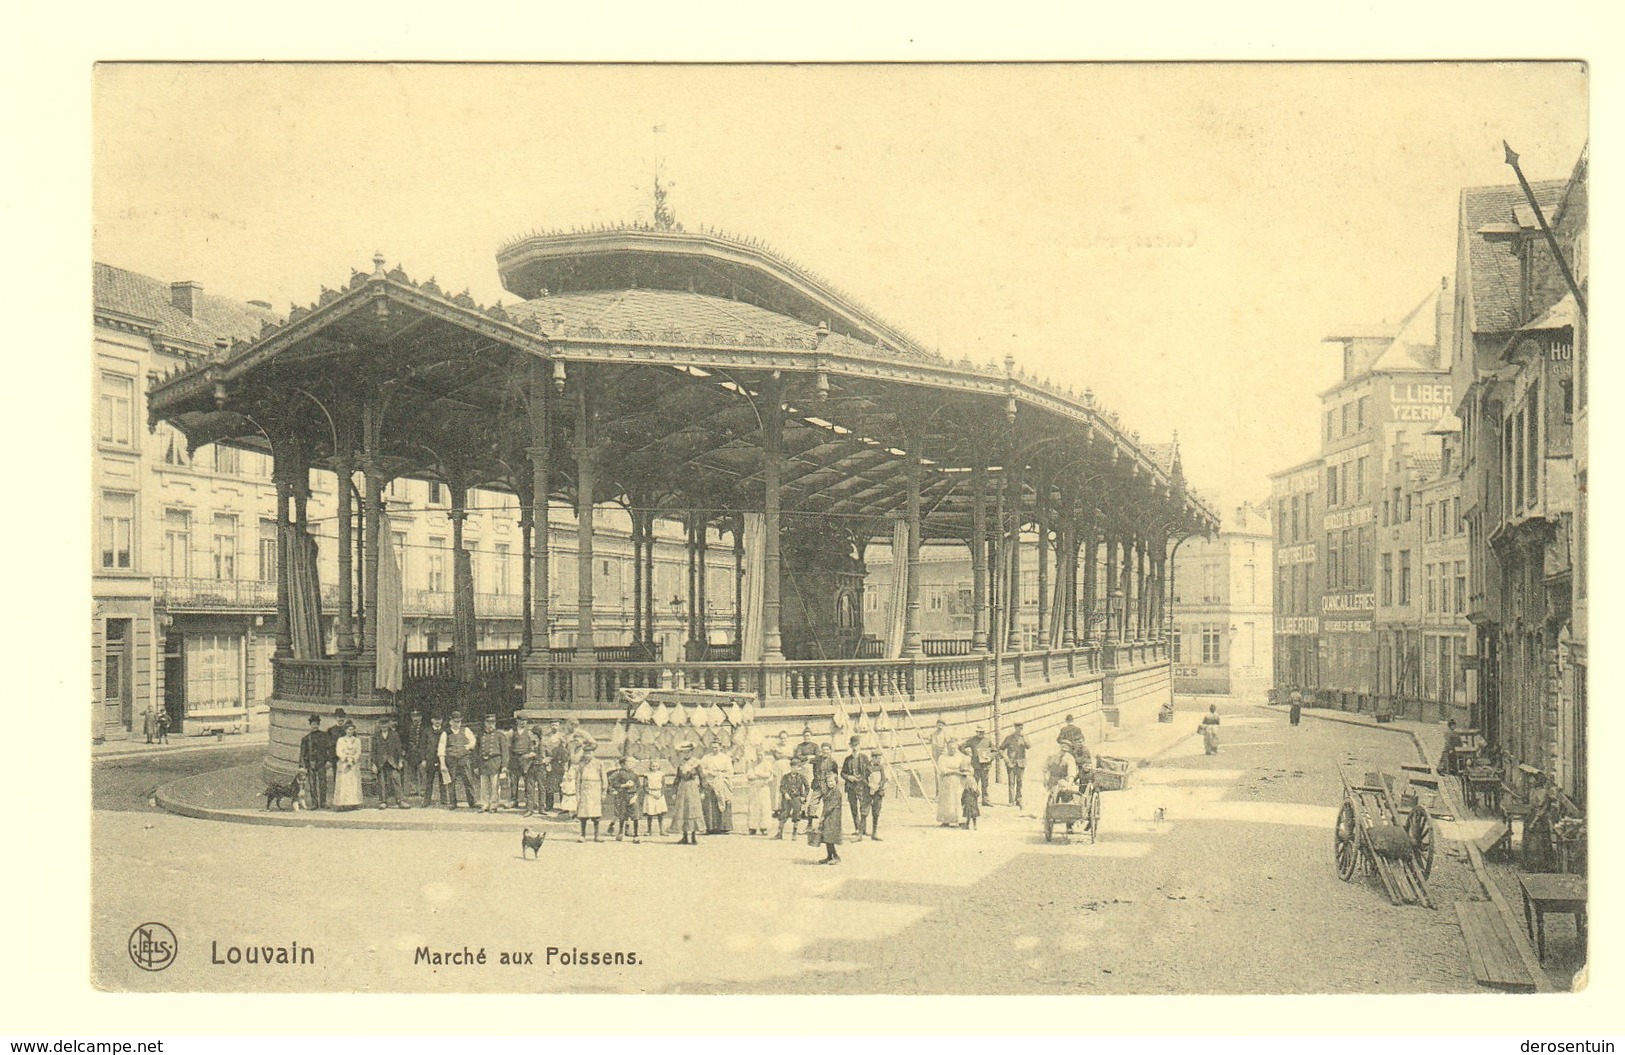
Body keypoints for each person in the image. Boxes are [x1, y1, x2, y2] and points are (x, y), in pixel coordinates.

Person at [438, 710, 479, 809]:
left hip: (464, 759)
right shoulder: (445, 733)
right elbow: (441, 748)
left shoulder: (466, 730)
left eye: (459, 721)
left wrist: (469, 746)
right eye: (455, 721)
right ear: (450, 721)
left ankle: (472, 801)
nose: (457, 723)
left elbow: (473, 740)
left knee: (468, 780)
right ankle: (452, 802)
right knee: (451, 781)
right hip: (451, 760)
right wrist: (442, 763)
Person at [1044, 735, 1081, 835]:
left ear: (1069, 749)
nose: (1064, 749)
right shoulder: (1052, 756)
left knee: (1067, 799)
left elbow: (1072, 773)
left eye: (1066, 747)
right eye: (1062, 746)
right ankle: (1050, 817)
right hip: (1053, 781)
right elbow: (1046, 768)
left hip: (1064, 781)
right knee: (1052, 799)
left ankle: (1069, 825)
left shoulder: (1070, 758)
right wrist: (1046, 778)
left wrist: (1069, 784)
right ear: (1059, 746)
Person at [372, 715, 410, 809]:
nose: (384, 726)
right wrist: (373, 764)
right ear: (379, 725)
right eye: (382, 724)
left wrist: (400, 761)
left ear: (389, 724)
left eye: (385, 724)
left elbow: (399, 749)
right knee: (381, 781)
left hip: (393, 761)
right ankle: (383, 801)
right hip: (380, 762)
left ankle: (400, 800)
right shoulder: (376, 736)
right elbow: (373, 751)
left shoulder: (395, 735)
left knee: (396, 779)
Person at [671, 742, 705, 845]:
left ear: (691, 752)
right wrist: (674, 792)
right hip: (682, 788)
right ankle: (685, 837)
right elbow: (677, 778)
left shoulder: (696, 763)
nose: (686, 754)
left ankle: (693, 837)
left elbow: (702, 777)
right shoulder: (681, 763)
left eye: (687, 752)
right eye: (684, 752)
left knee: (693, 810)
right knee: (683, 810)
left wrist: (702, 791)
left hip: (692, 788)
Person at [700, 738, 735, 834]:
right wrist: (710, 773)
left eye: (716, 747)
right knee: (710, 804)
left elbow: (730, 771)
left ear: (720, 747)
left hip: (722, 781)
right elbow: (701, 770)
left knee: (723, 802)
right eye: (713, 747)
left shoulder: (726, 758)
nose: (714, 749)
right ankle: (711, 827)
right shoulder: (706, 758)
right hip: (710, 782)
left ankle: (723, 827)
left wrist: (721, 775)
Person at [840, 735, 871, 839]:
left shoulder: (864, 758)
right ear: (850, 746)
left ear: (859, 745)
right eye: (853, 745)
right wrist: (849, 777)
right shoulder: (847, 759)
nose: (855, 748)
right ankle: (858, 828)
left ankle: (863, 829)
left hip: (862, 786)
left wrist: (861, 778)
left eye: (856, 745)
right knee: (853, 808)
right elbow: (842, 773)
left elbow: (868, 771)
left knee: (863, 807)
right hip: (851, 787)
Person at [812, 763, 844, 864]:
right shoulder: (829, 791)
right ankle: (829, 856)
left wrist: (823, 816)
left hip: (833, 817)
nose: (830, 783)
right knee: (826, 837)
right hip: (828, 817)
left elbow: (830, 806)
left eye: (831, 781)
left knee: (830, 837)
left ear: (836, 781)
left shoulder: (836, 792)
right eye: (828, 782)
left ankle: (836, 857)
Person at [575, 741, 607, 842]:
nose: (587, 755)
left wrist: (603, 792)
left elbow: (604, 778)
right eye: (585, 753)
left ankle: (596, 835)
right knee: (583, 814)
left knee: (596, 814)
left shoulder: (599, 764)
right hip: (584, 789)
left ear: (593, 753)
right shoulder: (581, 764)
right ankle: (583, 835)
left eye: (589, 753)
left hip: (595, 790)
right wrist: (577, 794)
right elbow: (577, 780)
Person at [607, 753, 643, 842]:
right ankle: (620, 832)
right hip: (622, 796)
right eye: (629, 762)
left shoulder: (635, 775)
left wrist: (635, 796)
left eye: (632, 762)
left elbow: (639, 787)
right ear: (624, 763)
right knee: (622, 815)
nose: (630, 764)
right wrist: (623, 785)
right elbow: (614, 784)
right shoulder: (619, 774)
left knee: (635, 816)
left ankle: (636, 835)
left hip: (632, 796)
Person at [512, 719, 544, 815]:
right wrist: (527, 756)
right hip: (530, 767)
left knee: (541, 788)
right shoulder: (529, 743)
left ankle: (541, 808)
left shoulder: (542, 744)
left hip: (540, 768)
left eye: (532, 734)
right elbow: (525, 754)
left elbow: (543, 755)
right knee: (530, 789)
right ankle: (530, 809)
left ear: (536, 735)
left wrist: (531, 755)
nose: (530, 735)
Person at [775, 756, 811, 840]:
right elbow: (782, 787)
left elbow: (807, 787)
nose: (798, 769)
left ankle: (794, 834)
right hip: (787, 799)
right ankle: (779, 833)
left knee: (796, 816)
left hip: (797, 798)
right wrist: (785, 794)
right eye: (795, 767)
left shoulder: (801, 777)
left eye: (799, 767)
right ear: (791, 767)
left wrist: (803, 796)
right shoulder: (785, 777)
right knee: (783, 815)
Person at [299, 714, 330, 809]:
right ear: (310, 725)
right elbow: (302, 754)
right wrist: (301, 766)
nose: (315, 726)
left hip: (322, 763)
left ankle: (323, 802)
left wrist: (329, 761)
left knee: (323, 782)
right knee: (312, 783)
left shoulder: (324, 736)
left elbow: (329, 749)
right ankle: (314, 803)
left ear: (319, 724)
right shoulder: (306, 739)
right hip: (310, 764)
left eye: (317, 724)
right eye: (313, 724)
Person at [935, 740, 968, 827]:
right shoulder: (943, 757)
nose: (952, 750)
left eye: (954, 748)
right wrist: (955, 771)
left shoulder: (961, 757)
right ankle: (945, 820)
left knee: (957, 799)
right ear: (947, 748)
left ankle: (959, 819)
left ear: (956, 748)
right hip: (946, 781)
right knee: (947, 800)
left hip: (958, 781)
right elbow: (942, 769)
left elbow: (966, 768)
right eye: (950, 748)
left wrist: (963, 772)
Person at [332, 721, 363, 810]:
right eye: (349, 729)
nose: (350, 731)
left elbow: (358, 752)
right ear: (345, 730)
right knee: (343, 783)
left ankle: (354, 803)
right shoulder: (341, 740)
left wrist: (353, 759)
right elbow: (339, 751)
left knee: (353, 783)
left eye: (352, 730)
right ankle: (342, 804)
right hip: (343, 764)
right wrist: (345, 758)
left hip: (353, 764)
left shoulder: (357, 740)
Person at [419, 715, 448, 807]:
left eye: (439, 719)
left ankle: (444, 800)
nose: (437, 721)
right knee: (429, 780)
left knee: (443, 780)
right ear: (431, 720)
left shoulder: (445, 731)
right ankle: (426, 801)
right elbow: (422, 746)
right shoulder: (426, 731)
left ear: (442, 720)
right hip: (430, 759)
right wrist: (423, 759)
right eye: (435, 719)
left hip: (442, 759)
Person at [962, 726, 995, 807]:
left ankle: (985, 800)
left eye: (982, 732)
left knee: (985, 783)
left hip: (985, 766)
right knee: (974, 783)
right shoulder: (972, 740)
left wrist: (990, 757)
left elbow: (994, 751)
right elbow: (961, 746)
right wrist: (967, 754)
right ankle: (973, 800)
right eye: (979, 732)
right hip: (976, 766)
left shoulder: (988, 740)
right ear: (976, 732)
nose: (981, 733)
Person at [1000, 722, 1030, 807]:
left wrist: (1024, 738)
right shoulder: (1009, 738)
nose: (1020, 730)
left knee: (1020, 782)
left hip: (1021, 763)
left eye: (1021, 728)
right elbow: (1001, 749)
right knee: (1011, 782)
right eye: (1018, 728)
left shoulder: (1024, 737)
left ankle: (1018, 799)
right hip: (1011, 763)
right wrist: (1005, 758)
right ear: (1015, 728)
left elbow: (1029, 746)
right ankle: (1011, 800)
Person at [746, 750, 776, 835]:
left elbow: (768, 775)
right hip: (754, 787)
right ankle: (752, 827)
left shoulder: (768, 764)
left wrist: (757, 774)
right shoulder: (752, 764)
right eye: (758, 755)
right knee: (753, 807)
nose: (759, 757)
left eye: (761, 755)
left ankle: (764, 827)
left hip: (763, 787)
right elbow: (749, 775)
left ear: (764, 755)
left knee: (765, 807)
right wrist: (761, 775)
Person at [642, 752, 671, 837]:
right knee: (650, 813)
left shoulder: (661, 774)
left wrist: (660, 794)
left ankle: (661, 830)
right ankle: (649, 830)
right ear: (650, 766)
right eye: (653, 766)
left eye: (656, 766)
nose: (654, 767)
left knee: (660, 813)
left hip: (659, 794)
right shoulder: (647, 775)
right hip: (650, 794)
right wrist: (650, 793)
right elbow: (645, 786)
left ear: (659, 766)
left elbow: (664, 785)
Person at [402, 709, 426, 797]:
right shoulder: (408, 727)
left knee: (422, 771)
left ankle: (423, 790)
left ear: (421, 717)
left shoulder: (424, 727)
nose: (415, 718)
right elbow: (405, 739)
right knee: (411, 772)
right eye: (413, 716)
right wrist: (404, 749)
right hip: (410, 752)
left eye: (417, 716)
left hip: (420, 752)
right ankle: (413, 789)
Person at [866, 749, 887, 840]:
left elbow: (883, 778)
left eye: (880, 758)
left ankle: (874, 833)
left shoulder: (881, 767)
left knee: (876, 812)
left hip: (878, 792)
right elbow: (864, 778)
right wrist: (870, 786)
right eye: (877, 758)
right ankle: (862, 831)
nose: (879, 760)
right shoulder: (867, 767)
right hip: (868, 791)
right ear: (873, 758)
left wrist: (878, 786)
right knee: (864, 811)